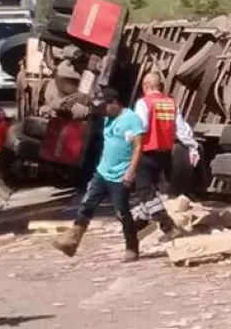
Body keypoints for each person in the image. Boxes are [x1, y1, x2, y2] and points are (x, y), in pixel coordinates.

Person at [52, 89, 144, 262]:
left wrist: (131, 171)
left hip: (120, 175)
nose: (104, 110)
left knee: (121, 212)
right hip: (102, 172)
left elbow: (139, 146)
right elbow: (91, 111)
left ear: (116, 103)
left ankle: (132, 247)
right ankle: (73, 240)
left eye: (106, 106)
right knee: (87, 204)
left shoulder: (131, 119)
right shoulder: (108, 117)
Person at [132, 72, 200, 241]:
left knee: (145, 192)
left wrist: (127, 140)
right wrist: (193, 147)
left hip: (146, 153)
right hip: (164, 154)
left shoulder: (143, 103)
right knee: (152, 193)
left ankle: (167, 226)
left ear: (146, 86)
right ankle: (136, 227)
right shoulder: (171, 103)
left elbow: (141, 127)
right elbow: (181, 129)